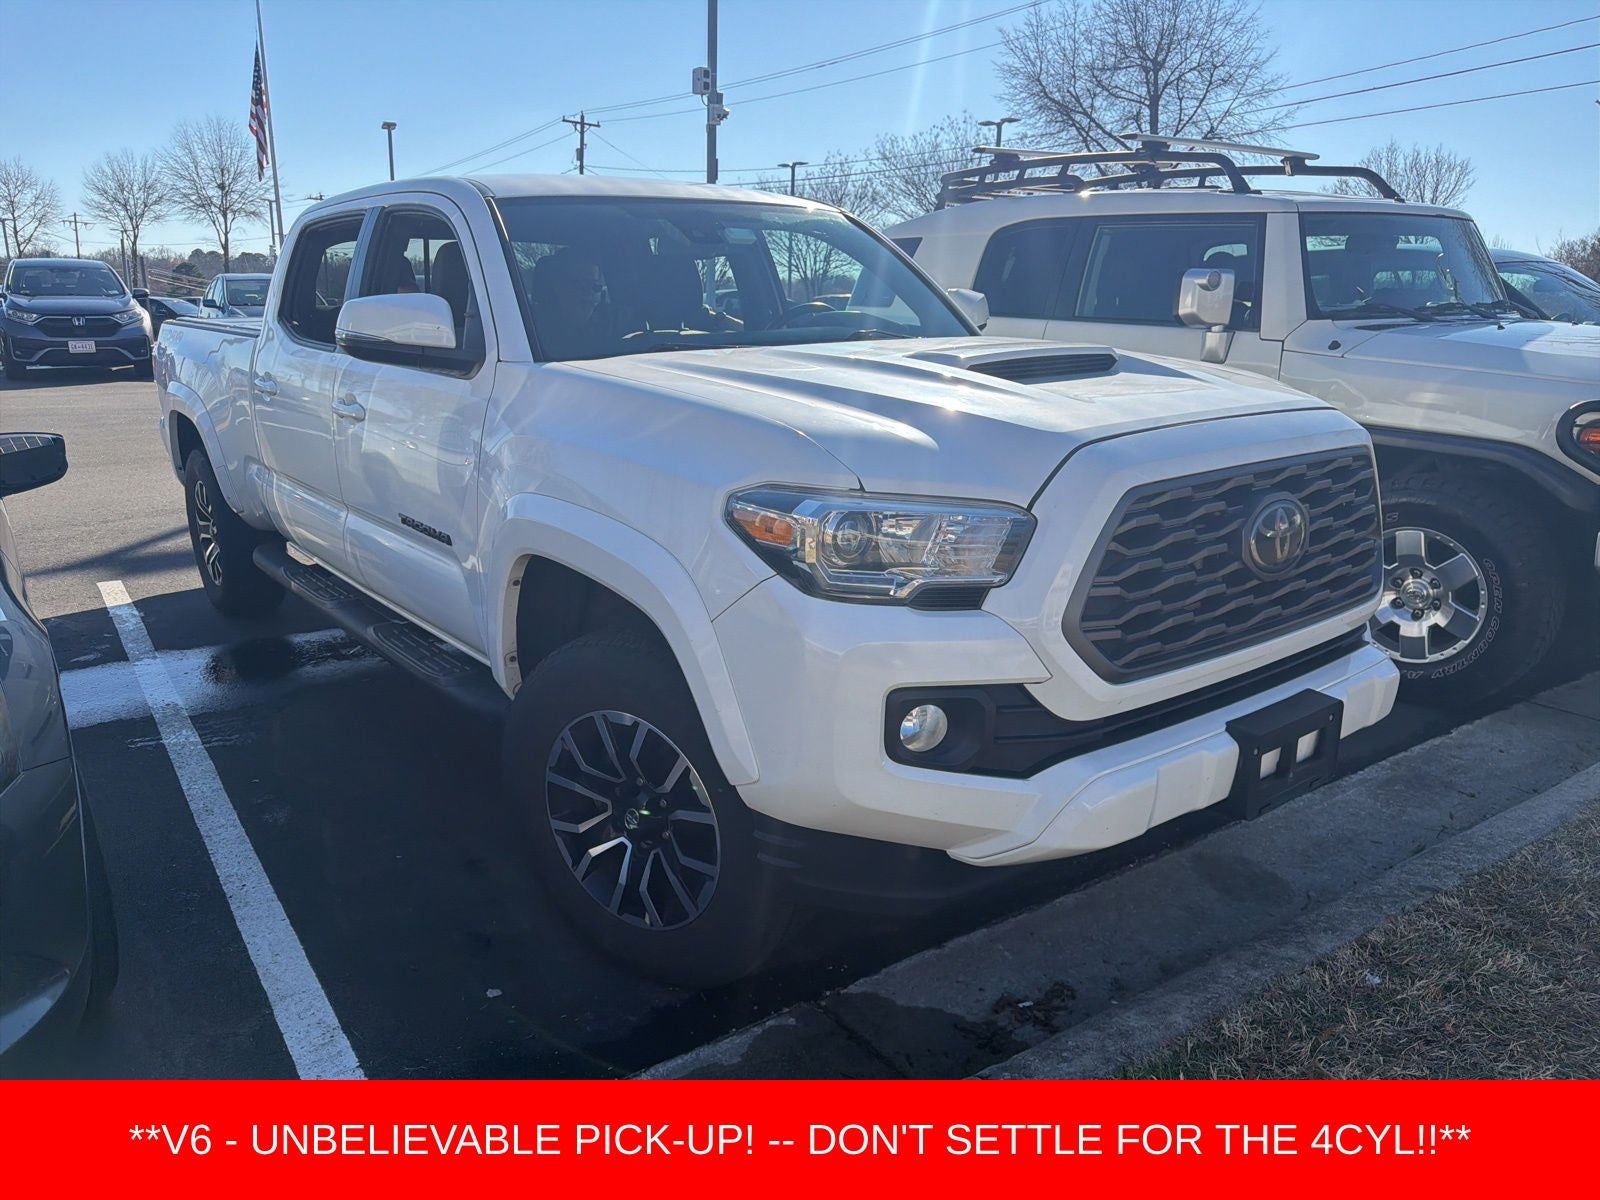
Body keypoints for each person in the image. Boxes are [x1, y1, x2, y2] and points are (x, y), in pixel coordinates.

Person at [531, 248, 613, 359]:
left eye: (595, 286)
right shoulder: (529, 331)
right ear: (557, 286)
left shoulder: (609, 323)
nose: (588, 293)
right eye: (580, 284)